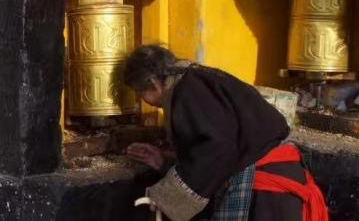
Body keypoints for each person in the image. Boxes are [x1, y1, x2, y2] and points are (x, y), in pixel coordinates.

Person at [122, 45, 327, 221]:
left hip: (266, 193)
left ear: (153, 83)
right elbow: (218, 140)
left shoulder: (188, 91)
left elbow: (216, 149)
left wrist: (167, 196)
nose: (145, 101)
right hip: (277, 178)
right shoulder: (199, 78)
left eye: (141, 94)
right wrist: (164, 162)